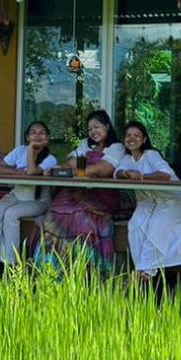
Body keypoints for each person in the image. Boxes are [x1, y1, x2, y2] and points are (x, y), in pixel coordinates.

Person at [32, 109, 126, 274]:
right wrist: (58, 169)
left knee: (80, 214)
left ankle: (85, 270)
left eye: (96, 127)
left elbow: (102, 169)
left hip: (102, 194)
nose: (93, 132)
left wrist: (75, 173)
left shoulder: (116, 147)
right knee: (54, 213)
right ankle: (52, 269)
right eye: (90, 129)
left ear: (107, 126)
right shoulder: (85, 145)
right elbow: (71, 163)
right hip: (77, 191)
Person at [114, 120, 181, 279]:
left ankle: (143, 271)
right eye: (129, 135)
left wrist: (142, 177)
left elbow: (165, 175)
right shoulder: (127, 158)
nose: (132, 138)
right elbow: (118, 172)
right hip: (149, 201)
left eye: (137, 135)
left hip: (173, 201)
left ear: (144, 139)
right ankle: (142, 269)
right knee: (135, 225)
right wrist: (127, 174)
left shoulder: (151, 154)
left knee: (156, 226)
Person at [0, 120, 58, 263]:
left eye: (41, 133)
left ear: (47, 138)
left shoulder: (50, 159)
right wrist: (15, 171)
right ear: (27, 136)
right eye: (33, 133)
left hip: (38, 200)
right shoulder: (19, 151)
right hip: (16, 195)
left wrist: (31, 148)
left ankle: (11, 264)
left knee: (11, 214)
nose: (37, 136)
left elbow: (31, 172)